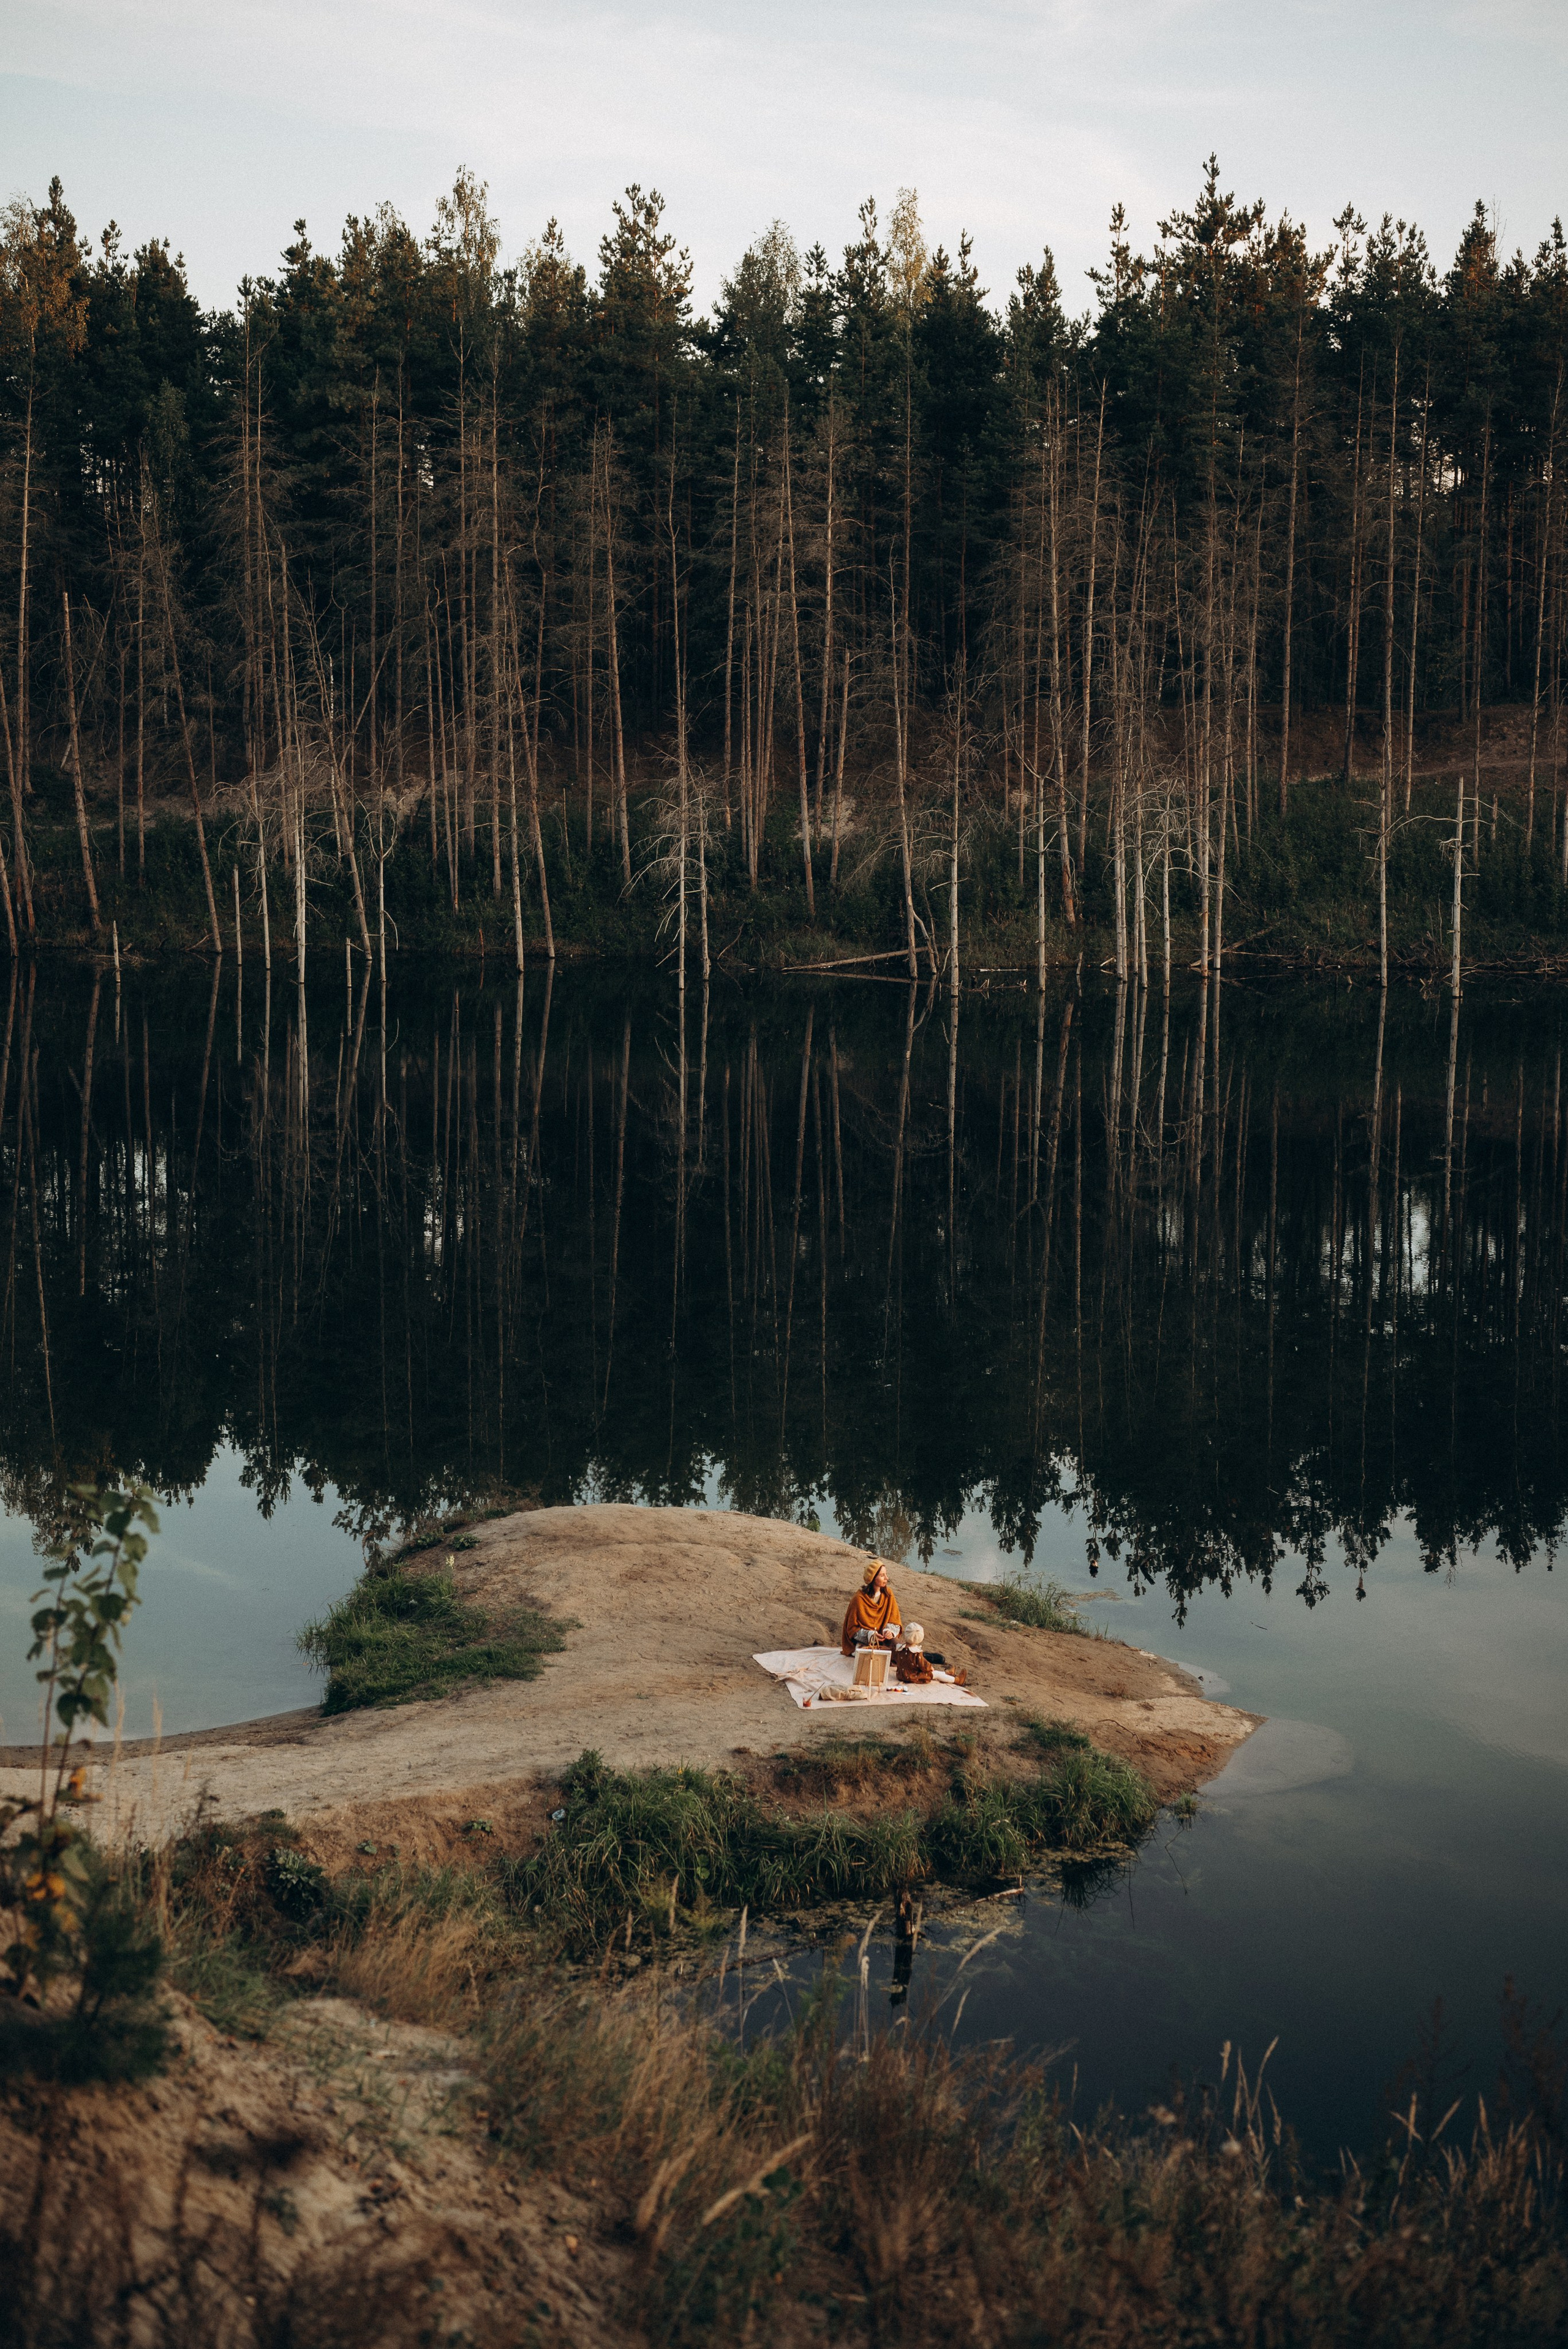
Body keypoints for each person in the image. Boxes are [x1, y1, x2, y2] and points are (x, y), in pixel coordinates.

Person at [841, 1558, 901, 1656]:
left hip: (884, 1640)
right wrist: (870, 1635)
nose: (887, 1578)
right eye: (882, 1576)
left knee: (899, 1649)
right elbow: (852, 1629)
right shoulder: (859, 1599)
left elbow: (895, 1620)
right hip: (865, 1642)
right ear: (873, 1578)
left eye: (886, 1574)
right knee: (869, 1656)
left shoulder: (888, 1595)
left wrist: (889, 1631)